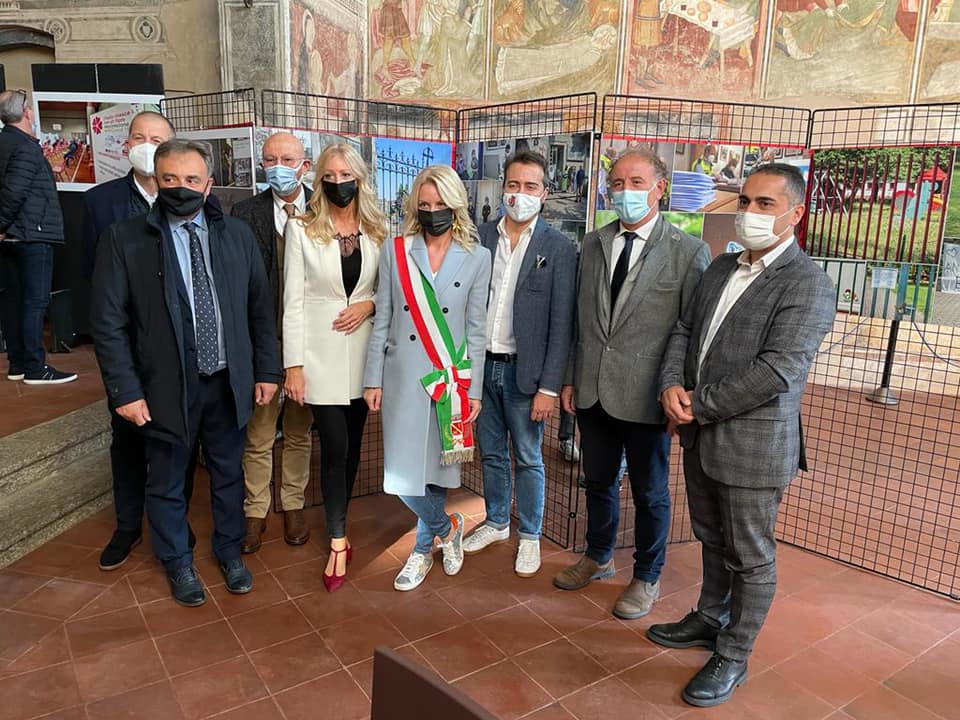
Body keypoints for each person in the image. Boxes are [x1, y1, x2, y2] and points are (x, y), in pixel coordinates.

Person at [651, 164, 836, 707]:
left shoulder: (807, 284)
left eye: (764, 204)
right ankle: (710, 618)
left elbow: (778, 370)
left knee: (750, 555)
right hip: (700, 437)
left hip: (752, 445)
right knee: (710, 537)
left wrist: (697, 405)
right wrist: (670, 384)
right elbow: (685, 329)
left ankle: (734, 654)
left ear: (795, 214)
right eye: (746, 201)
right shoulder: (721, 267)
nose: (749, 213)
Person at [90, 139, 280, 607]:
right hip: (164, 387)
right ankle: (177, 561)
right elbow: (108, 324)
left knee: (228, 474)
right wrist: (125, 391)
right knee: (167, 480)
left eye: (191, 179)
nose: (181, 187)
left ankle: (229, 551)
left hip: (227, 382)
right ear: (156, 182)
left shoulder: (237, 236)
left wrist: (266, 370)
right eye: (170, 179)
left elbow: (260, 310)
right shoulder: (125, 240)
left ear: (208, 184)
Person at [555, 148, 711, 620]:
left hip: (648, 396)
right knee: (597, 481)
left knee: (650, 492)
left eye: (636, 182)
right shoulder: (594, 243)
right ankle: (598, 555)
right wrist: (570, 378)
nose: (624, 192)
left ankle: (646, 576)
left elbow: (691, 331)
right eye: (617, 184)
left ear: (660, 188)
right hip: (593, 389)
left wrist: (679, 393)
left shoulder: (688, 252)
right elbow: (580, 320)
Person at [364, 164, 490, 592]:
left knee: (435, 472)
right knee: (401, 476)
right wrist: (373, 378)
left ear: (456, 206)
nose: (433, 211)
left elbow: (476, 328)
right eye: (425, 204)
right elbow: (383, 317)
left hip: (449, 379)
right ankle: (448, 527)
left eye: (441, 204)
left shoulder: (477, 257)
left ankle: (421, 550)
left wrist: (474, 388)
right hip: (403, 377)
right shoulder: (396, 250)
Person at [82, 110, 194, 570]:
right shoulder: (100, 203)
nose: (147, 145)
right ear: (126, 144)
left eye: (157, 138)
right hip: (128, 352)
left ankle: (175, 521)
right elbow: (95, 287)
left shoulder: (190, 200)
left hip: (180, 352)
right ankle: (128, 525)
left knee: (180, 442)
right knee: (127, 443)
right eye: (139, 137)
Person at [463, 151, 577, 576]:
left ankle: (530, 534)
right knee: (491, 452)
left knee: (528, 456)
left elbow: (562, 324)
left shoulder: (558, 248)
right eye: (513, 185)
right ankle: (497, 521)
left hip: (525, 374)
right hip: (483, 366)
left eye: (530, 186)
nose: (520, 194)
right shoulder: (480, 237)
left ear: (544, 193)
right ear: (502, 187)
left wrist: (549, 388)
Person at [284, 144, 386, 592]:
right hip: (319, 356)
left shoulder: (378, 230)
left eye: (346, 175)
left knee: (353, 445)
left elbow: (390, 291)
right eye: (330, 174)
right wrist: (293, 366)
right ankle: (338, 539)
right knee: (334, 446)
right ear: (319, 179)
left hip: (364, 354)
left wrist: (369, 304)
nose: (338, 182)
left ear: (359, 179)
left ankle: (339, 521)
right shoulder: (301, 229)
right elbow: (292, 302)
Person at [231, 132, 315, 553]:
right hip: (262, 339)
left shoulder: (324, 210)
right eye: (269, 159)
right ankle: (255, 511)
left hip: (309, 344)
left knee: (299, 429)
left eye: (287, 159)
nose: (277, 166)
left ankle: (294, 504)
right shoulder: (244, 213)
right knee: (260, 432)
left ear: (305, 165)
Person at [0, 89, 76, 385]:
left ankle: (18, 364)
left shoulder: (6, 142)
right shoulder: (25, 147)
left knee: (14, 301)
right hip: (32, 234)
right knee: (34, 301)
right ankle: (35, 368)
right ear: (26, 113)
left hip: (14, 236)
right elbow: (14, 193)